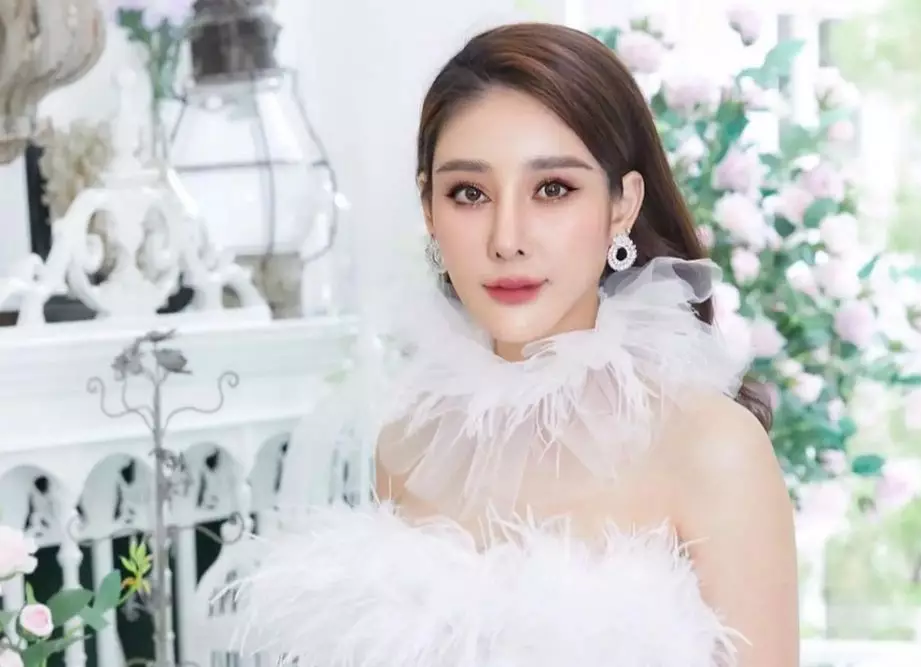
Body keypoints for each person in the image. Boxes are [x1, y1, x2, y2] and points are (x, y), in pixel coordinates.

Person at [235, 22, 799, 667]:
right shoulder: (410, 445)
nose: (507, 239)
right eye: (469, 193)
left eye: (552, 189)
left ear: (622, 205)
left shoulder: (711, 448)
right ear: (429, 209)